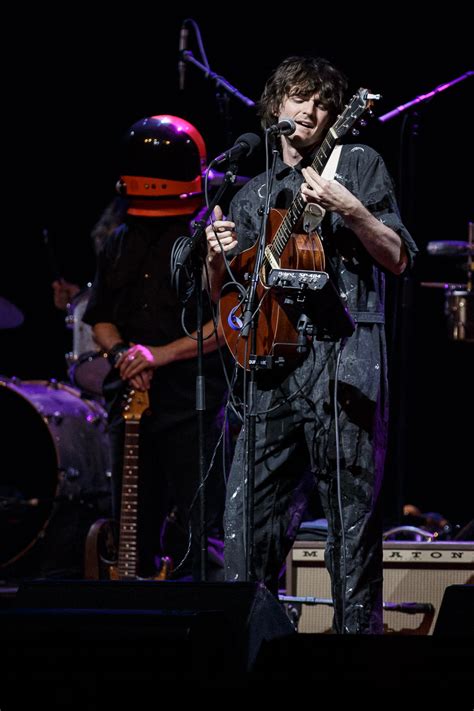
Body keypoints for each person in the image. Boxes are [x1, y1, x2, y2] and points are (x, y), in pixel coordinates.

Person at [205, 56, 418, 633]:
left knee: (350, 532)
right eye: (299, 97)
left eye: (323, 103)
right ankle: (248, 651)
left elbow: (397, 257)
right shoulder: (251, 193)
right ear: (276, 106)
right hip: (271, 374)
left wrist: (350, 210)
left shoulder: (358, 163)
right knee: (244, 529)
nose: (310, 110)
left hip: (343, 367)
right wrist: (214, 255)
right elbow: (229, 297)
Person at [83, 115, 229, 579]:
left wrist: (156, 356)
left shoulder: (207, 238)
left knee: (198, 527)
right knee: (133, 522)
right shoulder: (119, 240)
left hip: (193, 404)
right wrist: (123, 356)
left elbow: (228, 325)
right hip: (128, 398)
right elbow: (100, 319)